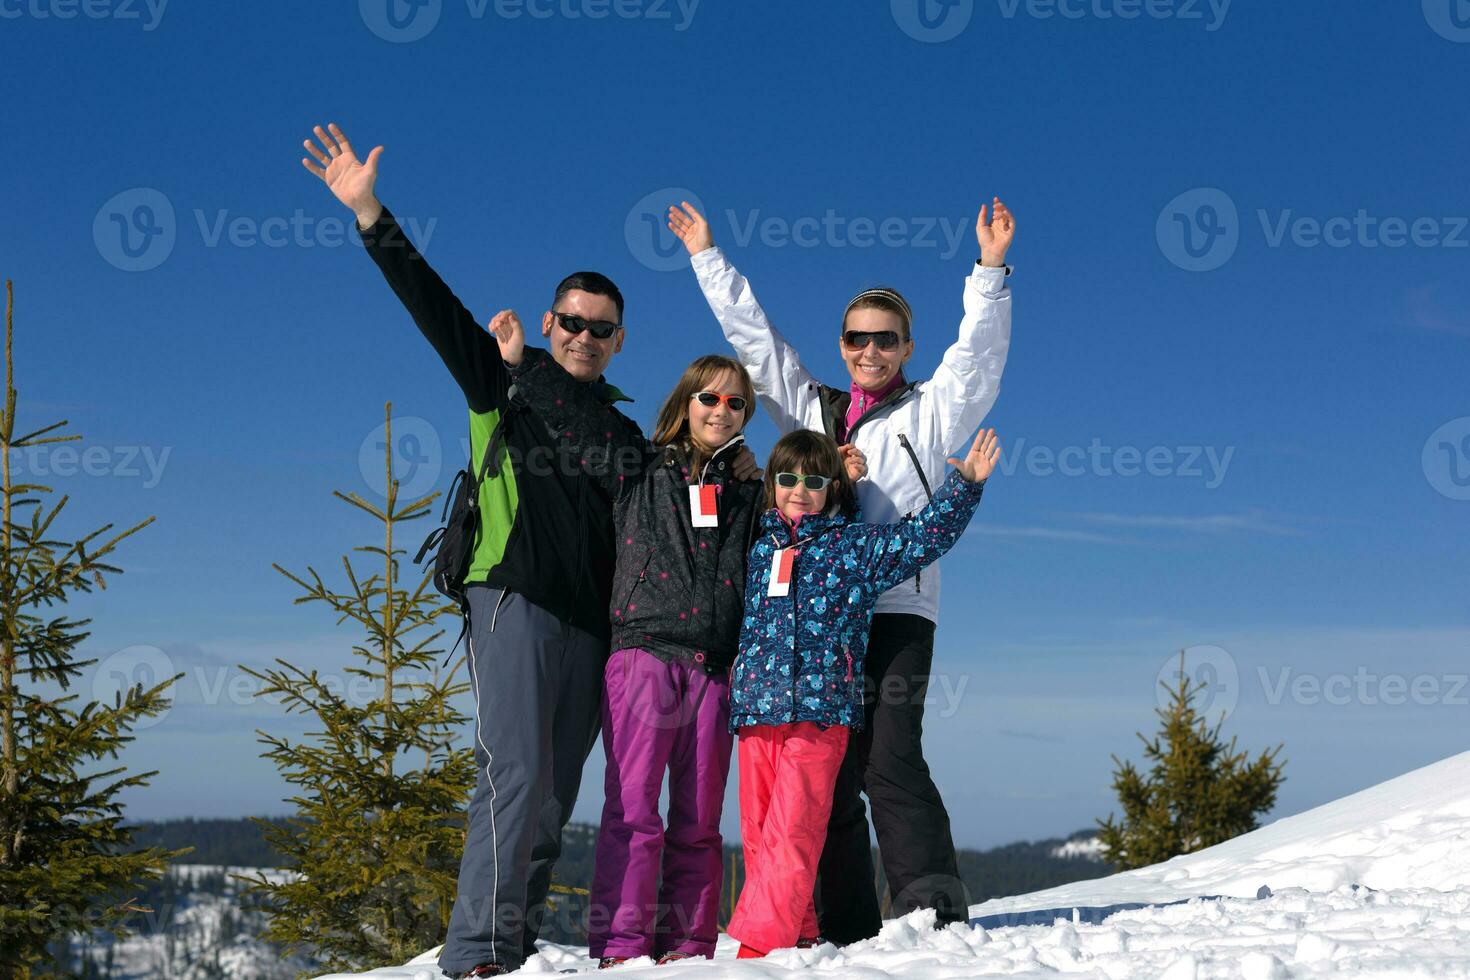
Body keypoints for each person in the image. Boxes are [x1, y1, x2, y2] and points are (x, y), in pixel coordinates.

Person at [301, 122, 639, 978]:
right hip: (511, 600)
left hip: (592, 627)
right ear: (552, 320)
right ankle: (478, 954)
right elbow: (434, 308)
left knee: (554, 798)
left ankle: (515, 943)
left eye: (600, 329)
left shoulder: (624, 431)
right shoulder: (504, 384)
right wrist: (372, 213)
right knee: (513, 774)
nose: (583, 337)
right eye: (571, 321)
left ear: (617, 341)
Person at [668, 196, 1015, 941]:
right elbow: (757, 347)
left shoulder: (932, 412)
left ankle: (932, 910)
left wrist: (987, 274)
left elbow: (977, 362)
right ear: (843, 342)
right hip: (820, 623)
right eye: (858, 338)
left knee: (888, 757)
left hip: (894, 606)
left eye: (885, 340)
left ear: (906, 347)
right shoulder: (817, 412)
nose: (870, 351)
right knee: (826, 778)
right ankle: (847, 923)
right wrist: (706, 256)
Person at [489, 311, 863, 968]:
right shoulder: (636, 462)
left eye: (736, 402)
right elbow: (577, 418)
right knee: (633, 812)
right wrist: (525, 362)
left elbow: (811, 519)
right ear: (685, 402)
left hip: (718, 669)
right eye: (709, 397)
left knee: (696, 826)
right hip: (642, 659)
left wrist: (843, 475)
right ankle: (622, 950)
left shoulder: (751, 496)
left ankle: (688, 953)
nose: (721, 409)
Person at [725, 427, 1001, 958]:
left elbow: (919, 539)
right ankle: (799, 932)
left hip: (821, 713)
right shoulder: (758, 546)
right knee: (759, 831)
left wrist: (962, 487)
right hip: (758, 708)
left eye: (814, 480)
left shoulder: (854, 548)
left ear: (832, 488)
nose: (799, 489)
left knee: (796, 828)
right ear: (771, 485)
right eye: (787, 479)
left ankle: (758, 949)